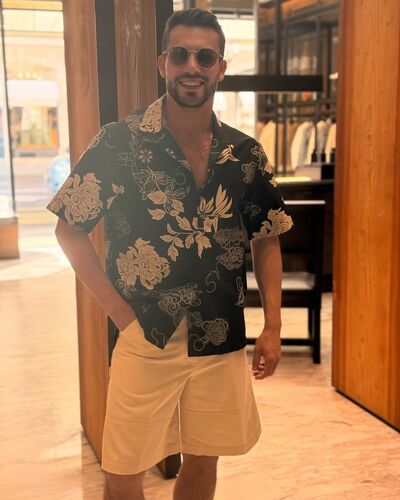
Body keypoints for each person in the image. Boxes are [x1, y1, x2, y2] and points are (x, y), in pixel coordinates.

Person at [47, 8, 293, 500]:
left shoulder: (245, 154)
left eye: (205, 57)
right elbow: (69, 230)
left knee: (203, 459)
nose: (192, 67)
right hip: (147, 333)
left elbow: (266, 236)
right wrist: (122, 315)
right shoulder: (119, 143)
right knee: (123, 471)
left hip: (219, 333)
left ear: (221, 68)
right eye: (180, 55)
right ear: (163, 63)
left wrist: (273, 325)